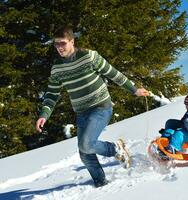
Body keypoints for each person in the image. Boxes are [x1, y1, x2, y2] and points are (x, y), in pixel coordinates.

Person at [35, 26, 149, 188]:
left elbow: (113, 73)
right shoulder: (57, 68)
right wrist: (43, 115)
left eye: (63, 43)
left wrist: (134, 89)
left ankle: (115, 148)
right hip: (81, 112)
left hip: (101, 106)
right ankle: (101, 183)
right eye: (56, 44)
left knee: (86, 144)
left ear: (72, 41)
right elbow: (52, 94)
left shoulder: (89, 56)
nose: (59, 47)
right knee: (85, 154)